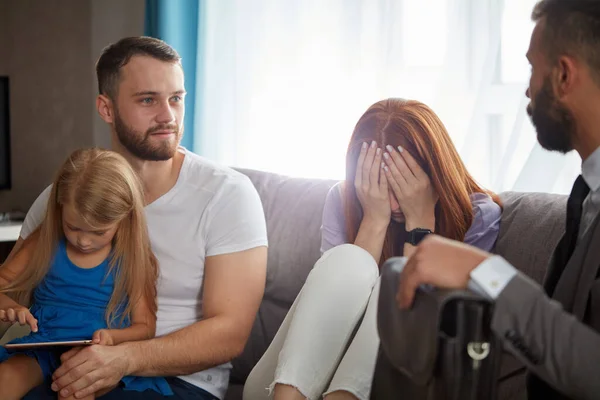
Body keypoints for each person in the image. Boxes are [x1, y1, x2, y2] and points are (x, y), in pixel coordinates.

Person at [3, 36, 268, 400]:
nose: (168, 116)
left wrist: (122, 358)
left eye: (176, 98)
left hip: (177, 384)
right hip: (59, 364)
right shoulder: (62, 199)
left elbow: (230, 334)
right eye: (148, 100)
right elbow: (10, 289)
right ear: (106, 108)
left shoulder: (227, 195)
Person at [389, 1, 600, 399]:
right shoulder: (586, 194)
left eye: (533, 68)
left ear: (564, 75)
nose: (527, 87)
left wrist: (484, 273)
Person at [243, 98, 502, 400]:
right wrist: (374, 219)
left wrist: (420, 225)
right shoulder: (343, 202)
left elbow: (437, 326)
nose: (391, 204)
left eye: (402, 185)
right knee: (348, 261)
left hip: (395, 385)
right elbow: (332, 315)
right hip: (285, 385)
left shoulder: (478, 216)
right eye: (378, 185)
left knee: (397, 284)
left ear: (434, 173)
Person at [0, 148, 171, 400]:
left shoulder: (132, 258)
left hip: (98, 356)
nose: (83, 240)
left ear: (123, 219)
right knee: (5, 378)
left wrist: (112, 337)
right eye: (73, 227)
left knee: (76, 389)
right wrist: (9, 306)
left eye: (98, 232)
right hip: (43, 344)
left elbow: (145, 327)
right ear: (59, 209)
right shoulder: (46, 240)